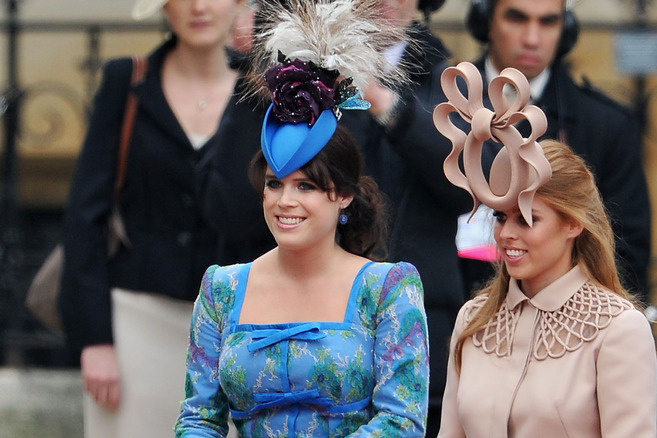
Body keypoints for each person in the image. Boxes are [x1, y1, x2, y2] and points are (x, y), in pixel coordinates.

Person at [175, 2, 429, 434]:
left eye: (306, 186)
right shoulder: (221, 290)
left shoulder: (387, 290)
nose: (284, 200)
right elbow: (199, 417)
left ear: (344, 194)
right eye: (274, 184)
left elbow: (401, 423)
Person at [58, 1, 274, 437]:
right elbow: (86, 214)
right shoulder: (128, 80)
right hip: (135, 321)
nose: (198, 7)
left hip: (236, 327)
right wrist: (94, 339)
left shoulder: (262, 92)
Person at [433, 62, 657, 437]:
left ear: (573, 223)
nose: (506, 234)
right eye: (501, 218)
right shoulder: (473, 319)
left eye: (527, 219)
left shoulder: (619, 329)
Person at [461, 0, 652, 304]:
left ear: (566, 29)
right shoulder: (437, 110)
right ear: (485, 21)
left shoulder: (606, 125)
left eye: (548, 22)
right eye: (517, 18)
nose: (532, 39)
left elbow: (624, 249)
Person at [337, 1, 470, 433]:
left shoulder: (450, 79)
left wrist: (386, 104)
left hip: (424, 323)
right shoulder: (309, 76)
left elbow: (469, 185)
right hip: (330, 326)